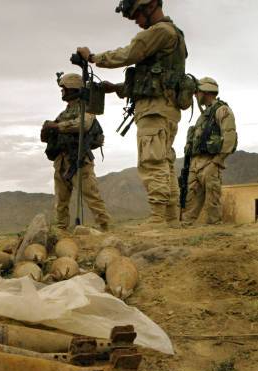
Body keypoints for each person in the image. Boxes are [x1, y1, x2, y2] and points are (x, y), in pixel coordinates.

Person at [76, 0, 190, 226]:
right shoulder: (174, 34)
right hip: (165, 108)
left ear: (149, 7)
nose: (137, 22)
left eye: (137, 15)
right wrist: (117, 88)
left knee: (152, 161)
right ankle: (170, 218)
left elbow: (129, 53)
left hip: (155, 110)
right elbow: (155, 76)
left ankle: (158, 218)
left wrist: (93, 58)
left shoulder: (160, 31)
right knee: (164, 162)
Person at [41, 73, 110, 232]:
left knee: (91, 195)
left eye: (63, 89)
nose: (62, 92)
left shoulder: (86, 109)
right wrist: (47, 131)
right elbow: (50, 133)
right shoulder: (64, 113)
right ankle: (61, 229)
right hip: (62, 161)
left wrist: (57, 127)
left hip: (79, 158)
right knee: (61, 200)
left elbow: (83, 125)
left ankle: (104, 226)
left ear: (72, 88)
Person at [182, 78, 237, 226]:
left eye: (197, 92)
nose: (195, 95)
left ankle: (215, 236)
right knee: (190, 202)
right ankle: (185, 232)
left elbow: (229, 137)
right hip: (195, 163)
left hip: (211, 161)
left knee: (213, 201)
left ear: (204, 91)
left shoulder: (222, 110)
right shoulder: (204, 115)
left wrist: (217, 161)